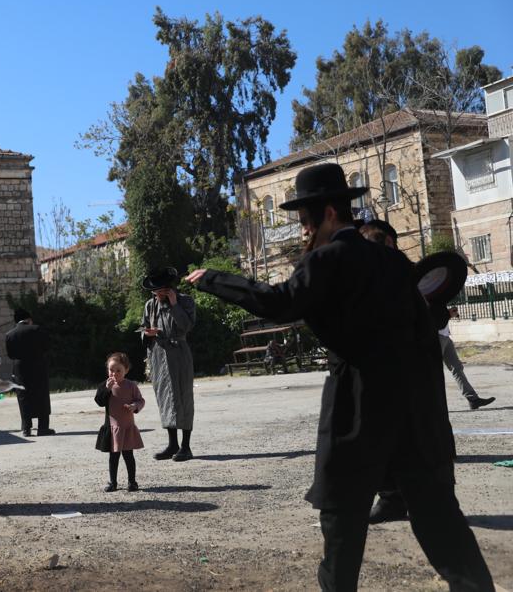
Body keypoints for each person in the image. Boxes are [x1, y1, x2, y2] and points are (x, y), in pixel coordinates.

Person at [184, 163, 493, 591]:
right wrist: (430, 413)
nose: (303, 231)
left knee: (342, 520)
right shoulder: (393, 259)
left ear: (329, 213)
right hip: (415, 409)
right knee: (439, 517)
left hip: (359, 405)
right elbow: (425, 336)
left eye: (305, 220)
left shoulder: (329, 258)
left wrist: (215, 280)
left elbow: (280, 302)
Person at [360, 220, 495, 412]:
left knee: (456, 367)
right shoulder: (398, 281)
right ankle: (429, 404)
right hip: (434, 333)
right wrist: (446, 314)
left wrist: (445, 314)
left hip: (443, 333)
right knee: (429, 371)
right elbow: (424, 311)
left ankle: (471, 398)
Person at [140, 267, 197, 461]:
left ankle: (186, 446)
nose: (157, 294)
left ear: (170, 288)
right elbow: (144, 327)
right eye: (155, 291)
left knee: (183, 396)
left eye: (161, 290)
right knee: (165, 397)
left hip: (179, 352)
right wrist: (147, 333)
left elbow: (187, 326)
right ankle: (173, 444)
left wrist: (174, 305)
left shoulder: (185, 301)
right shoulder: (150, 305)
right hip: (158, 354)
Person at [95, 352, 144, 492]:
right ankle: (113, 482)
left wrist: (135, 406)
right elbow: (99, 401)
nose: (114, 373)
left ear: (126, 370)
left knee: (129, 456)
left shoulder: (131, 386)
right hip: (113, 428)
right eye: (111, 370)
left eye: (118, 370)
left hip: (127, 427)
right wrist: (107, 389)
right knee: (113, 457)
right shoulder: (105, 385)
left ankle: (132, 482)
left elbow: (140, 400)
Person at [5, 307, 54, 436]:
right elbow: (47, 346)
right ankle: (43, 428)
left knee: (23, 396)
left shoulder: (10, 334)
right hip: (38, 366)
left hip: (20, 368)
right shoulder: (37, 329)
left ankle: (26, 428)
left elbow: (10, 355)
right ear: (29, 319)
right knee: (41, 394)